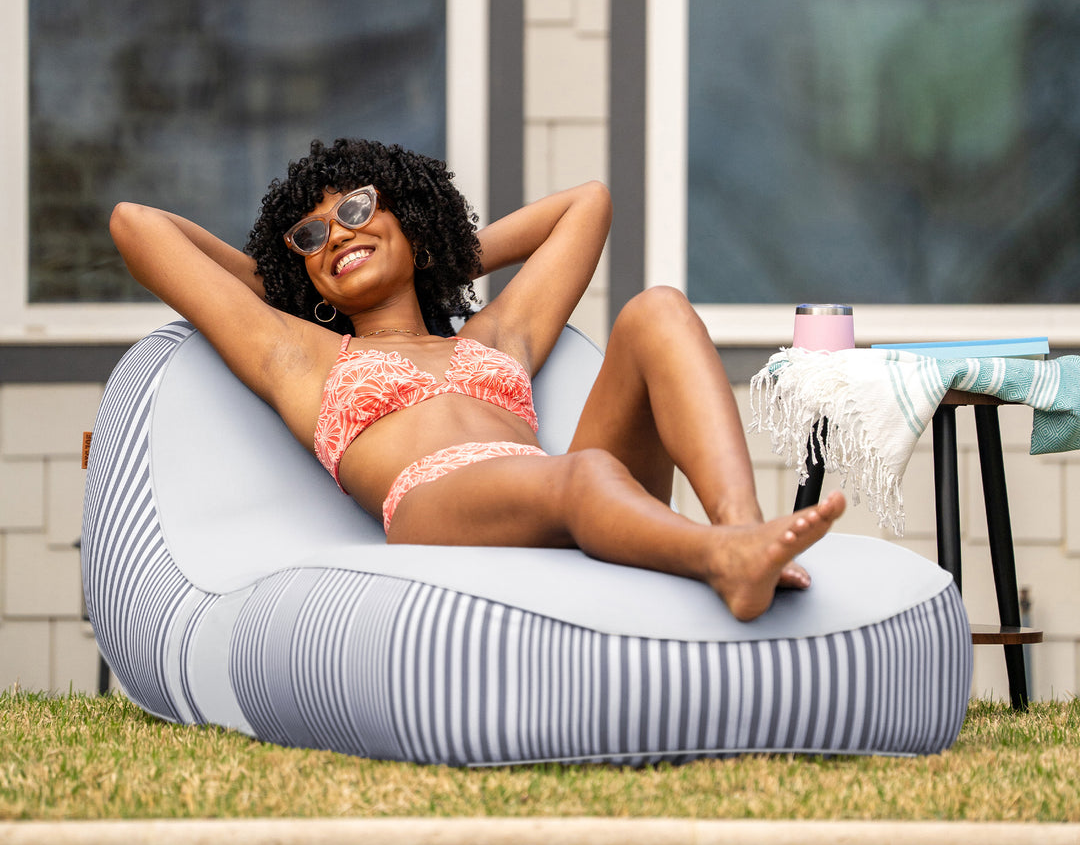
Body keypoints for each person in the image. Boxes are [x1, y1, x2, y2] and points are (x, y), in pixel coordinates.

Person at [110, 137, 844, 621]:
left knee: (658, 310)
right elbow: (136, 225)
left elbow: (587, 204)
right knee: (583, 473)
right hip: (439, 507)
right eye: (312, 236)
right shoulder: (299, 354)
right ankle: (723, 561)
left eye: (358, 210)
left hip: (555, 492)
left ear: (413, 221)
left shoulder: (496, 338)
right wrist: (294, 286)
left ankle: (743, 532)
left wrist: (436, 255)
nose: (336, 233)